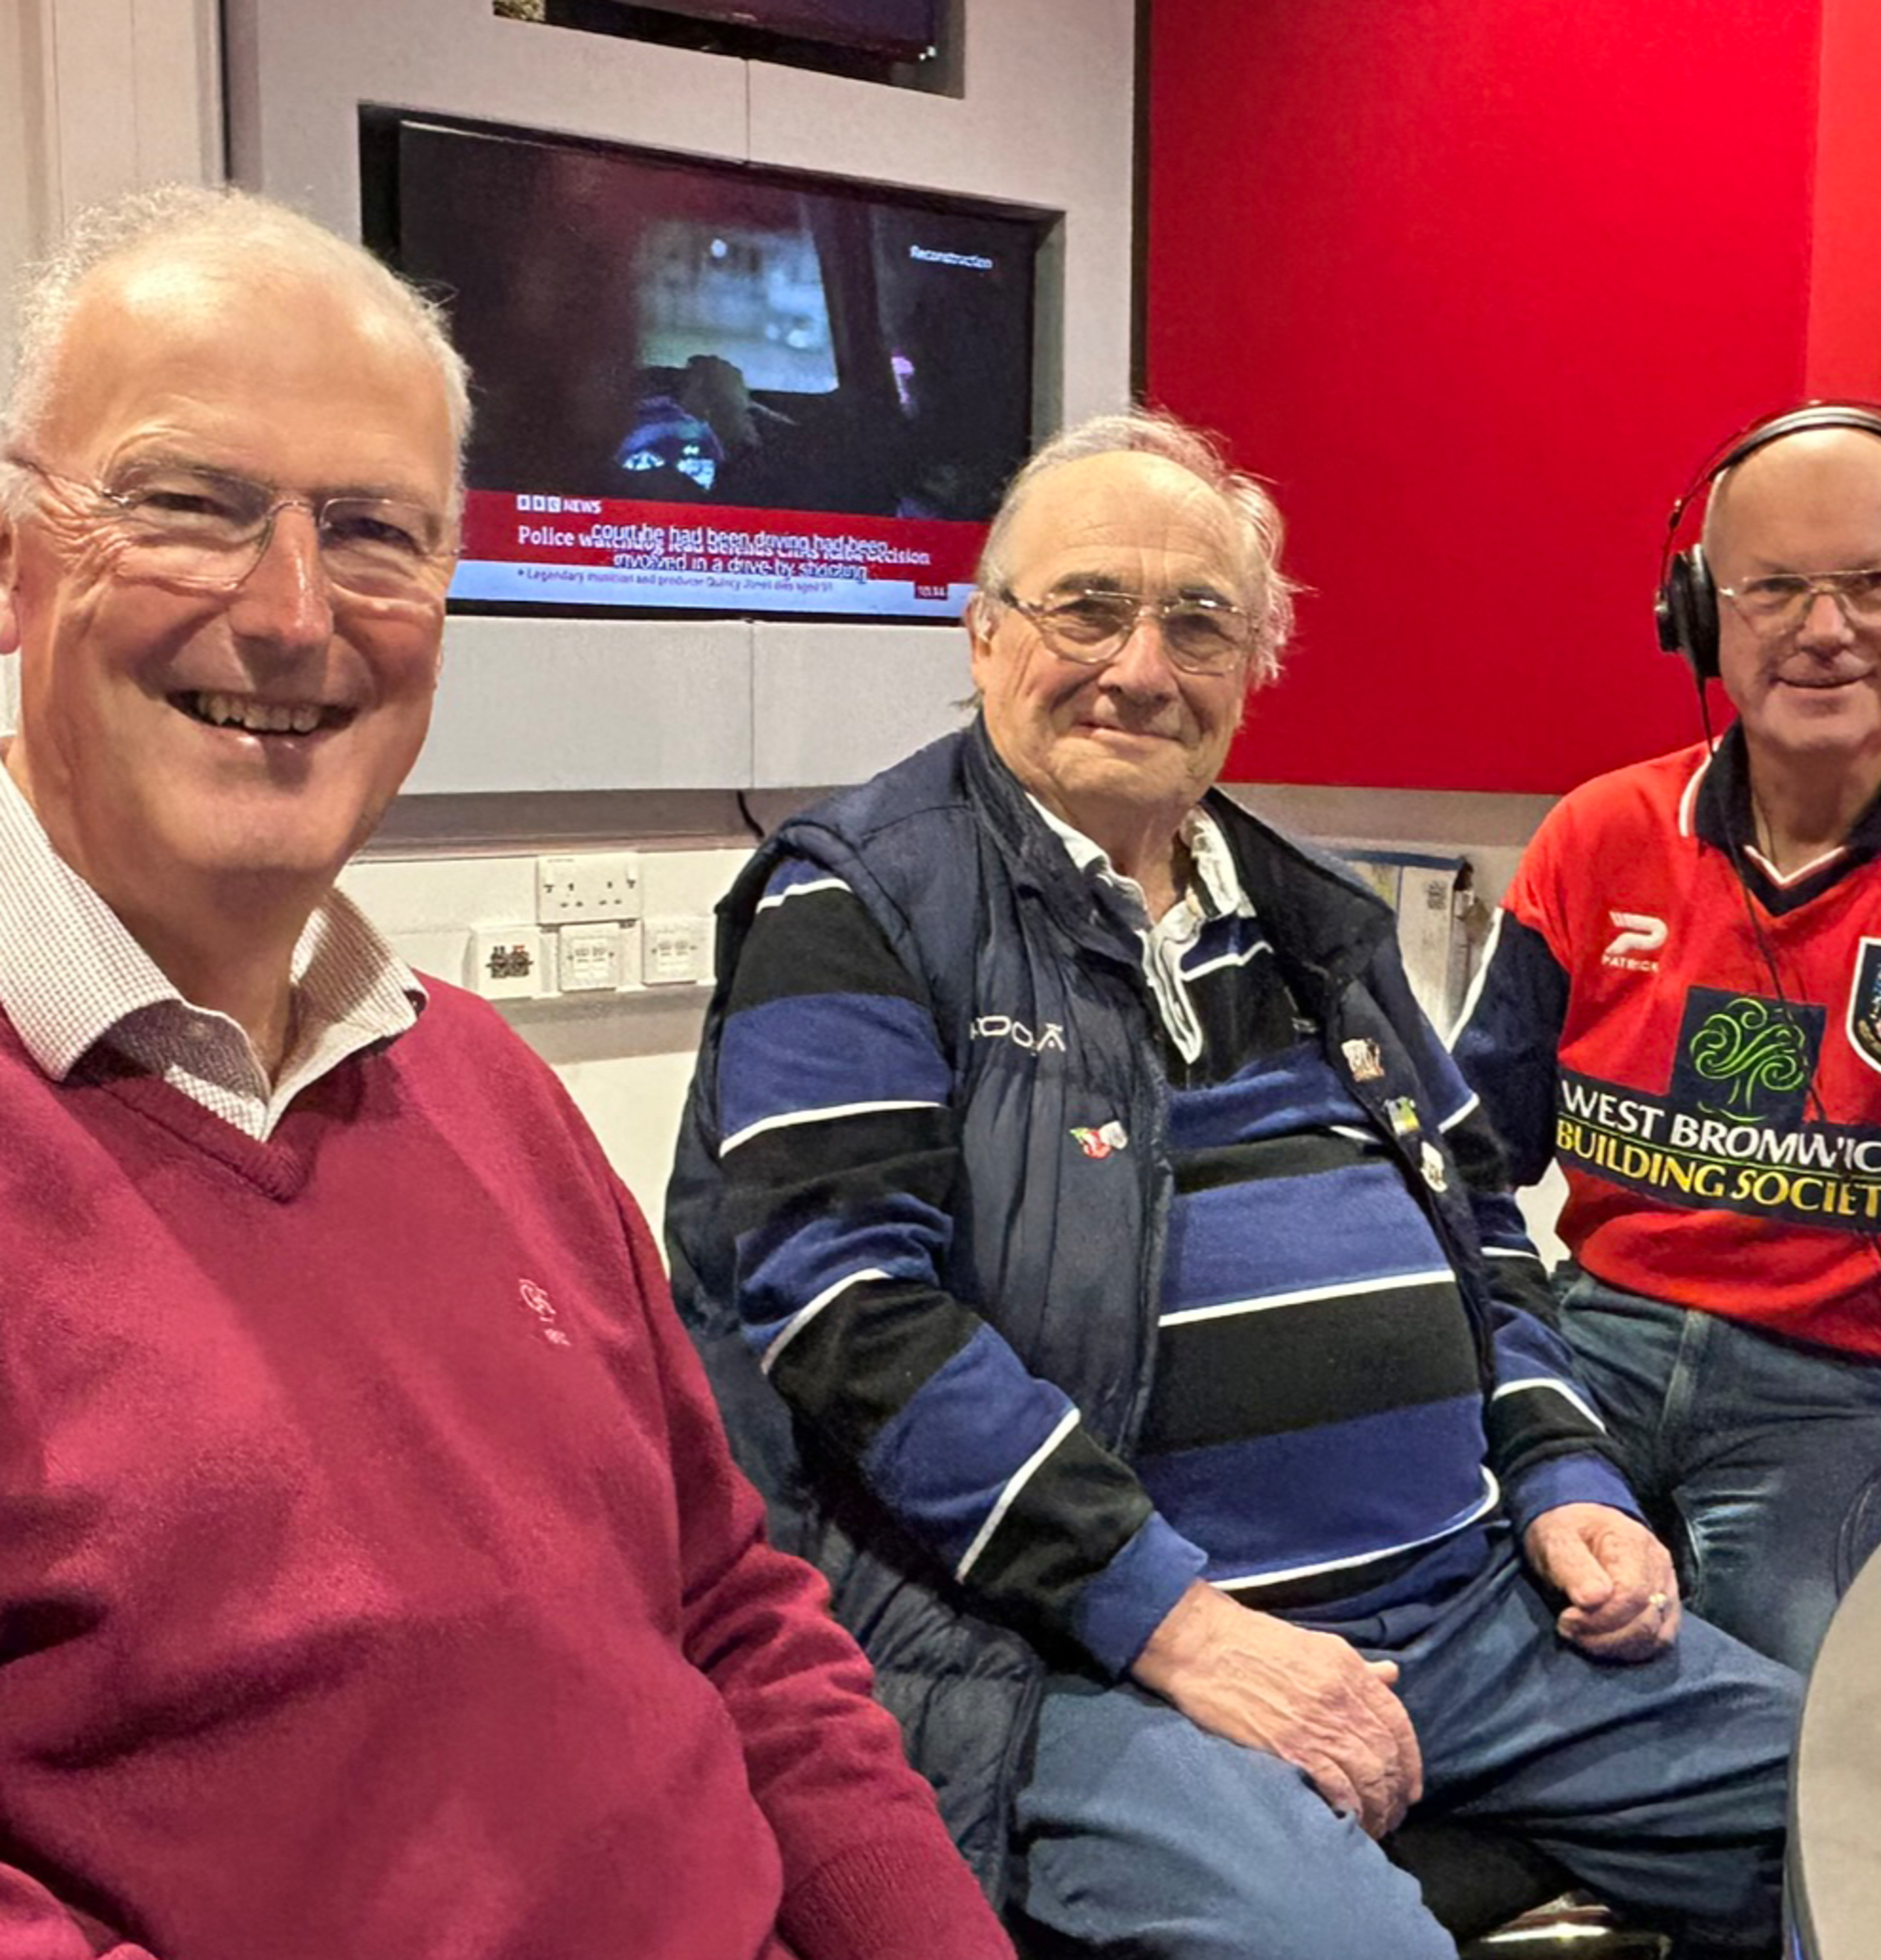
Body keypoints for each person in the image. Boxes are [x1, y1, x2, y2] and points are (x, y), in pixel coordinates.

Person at [0, 183, 1012, 1960]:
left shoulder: (478, 1083)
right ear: (14, 564)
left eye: (374, 533)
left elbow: (732, 1614)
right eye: (190, 507)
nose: (293, 613)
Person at [666, 407, 1798, 1960]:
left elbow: (1479, 1230)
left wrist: (1564, 1475)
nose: (1140, 666)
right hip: (1074, 1652)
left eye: (1198, 621)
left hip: (1471, 1608)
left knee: (1880, 1820)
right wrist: (1174, 1621)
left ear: (1255, 666)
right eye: (1087, 608)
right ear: (985, 637)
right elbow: (850, 1311)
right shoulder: (862, 904)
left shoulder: (1310, 915)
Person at [1452, 403, 1881, 1674]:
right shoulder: (1598, 836)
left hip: (1859, 1391)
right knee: (1445, 1636)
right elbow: (1465, 1162)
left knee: (1812, 1731)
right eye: (1775, 587)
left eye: (1872, 585)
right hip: (1598, 1339)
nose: (1824, 628)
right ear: (1697, 611)